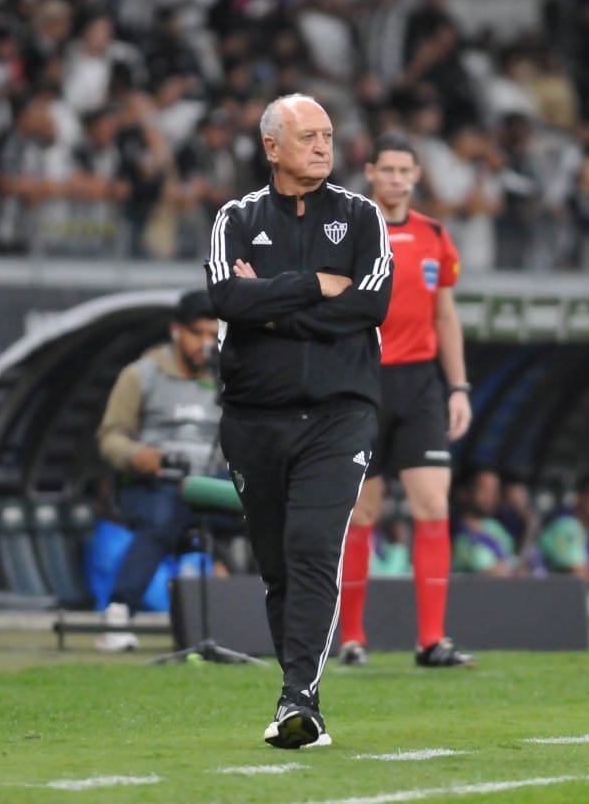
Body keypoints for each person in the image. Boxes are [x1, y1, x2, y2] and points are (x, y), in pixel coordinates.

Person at [204, 93, 392, 749]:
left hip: (338, 417)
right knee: (279, 566)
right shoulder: (235, 217)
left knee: (314, 547)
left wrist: (271, 302)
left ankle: (299, 701)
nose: (323, 145)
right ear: (272, 147)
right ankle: (297, 690)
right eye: (308, 135)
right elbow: (226, 296)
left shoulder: (363, 217)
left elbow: (370, 306)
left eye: (328, 134)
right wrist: (316, 286)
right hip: (253, 419)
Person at [338, 132, 474, 670]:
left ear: (416, 177)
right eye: (387, 169)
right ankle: (352, 638)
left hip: (420, 386)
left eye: (405, 171)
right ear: (370, 172)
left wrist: (459, 387)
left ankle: (431, 641)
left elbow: (446, 317)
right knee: (362, 511)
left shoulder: (436, 236)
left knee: (433, 505)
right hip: (364, 381)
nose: (396, 179)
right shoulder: (347, 232)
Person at [95, 290, 222, 652]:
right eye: (198, 334)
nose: (206, 344)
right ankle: (118, 613)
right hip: (150, 484)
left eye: (214, 336)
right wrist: (139, 455)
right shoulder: (140, 375)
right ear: (176, 331)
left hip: (208, 484)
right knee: (167, 512)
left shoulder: (227, 379)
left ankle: (274, 621)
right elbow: (110, 436)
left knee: (268, 510)